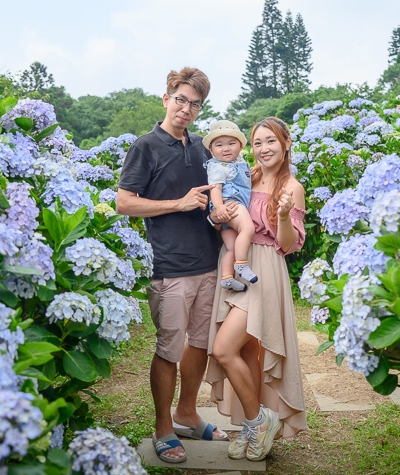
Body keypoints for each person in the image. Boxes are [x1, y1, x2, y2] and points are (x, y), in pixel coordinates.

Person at [116, 67, 238, 464]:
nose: (187, 109)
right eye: (181, 100)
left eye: (195, 104)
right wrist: (178, 203)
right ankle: (164, 427)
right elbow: (125, 203)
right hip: (168, 266)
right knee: (169, 347)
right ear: (167, 98)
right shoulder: (145, 146)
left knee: (200, 344)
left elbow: (223, 185)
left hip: (208, 262)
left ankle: (188, 413)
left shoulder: (203, 147)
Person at [207, 116, 309, 462]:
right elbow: (222, 211)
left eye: (271, 142)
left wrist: (282, 215)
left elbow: (288, 245)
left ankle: (258, 421)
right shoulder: (244, 174)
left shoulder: (292, 187)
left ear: (286, 143)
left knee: (224, 349)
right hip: (236, 259)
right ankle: (252, 426)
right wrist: (216, 215)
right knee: (247, 354)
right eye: (258, 142)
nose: (263, 149)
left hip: (263, 268)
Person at [203, 120, 257, 293]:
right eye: (219, 145)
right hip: (232, 204)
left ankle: (227, 277)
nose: (226, 148)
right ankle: (241, 264)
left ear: (240, 146)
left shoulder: (239, 162)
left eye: (231, 143)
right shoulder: (219, 167)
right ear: (211, 150)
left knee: (231, 247)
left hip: (231, 207)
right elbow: (215, 190)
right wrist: (219, 207)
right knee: (248, 229)